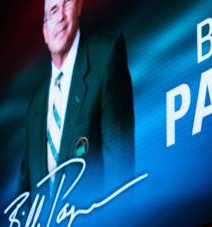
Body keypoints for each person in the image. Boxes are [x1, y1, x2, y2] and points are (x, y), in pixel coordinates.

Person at [19, 0, 135, 199]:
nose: (61, 17)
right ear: (45, 32)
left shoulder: (105, 56)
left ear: (79, 6)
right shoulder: (36, 103)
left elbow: (120, 168)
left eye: (66, 4)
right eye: (53, 11)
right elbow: (25, 193)